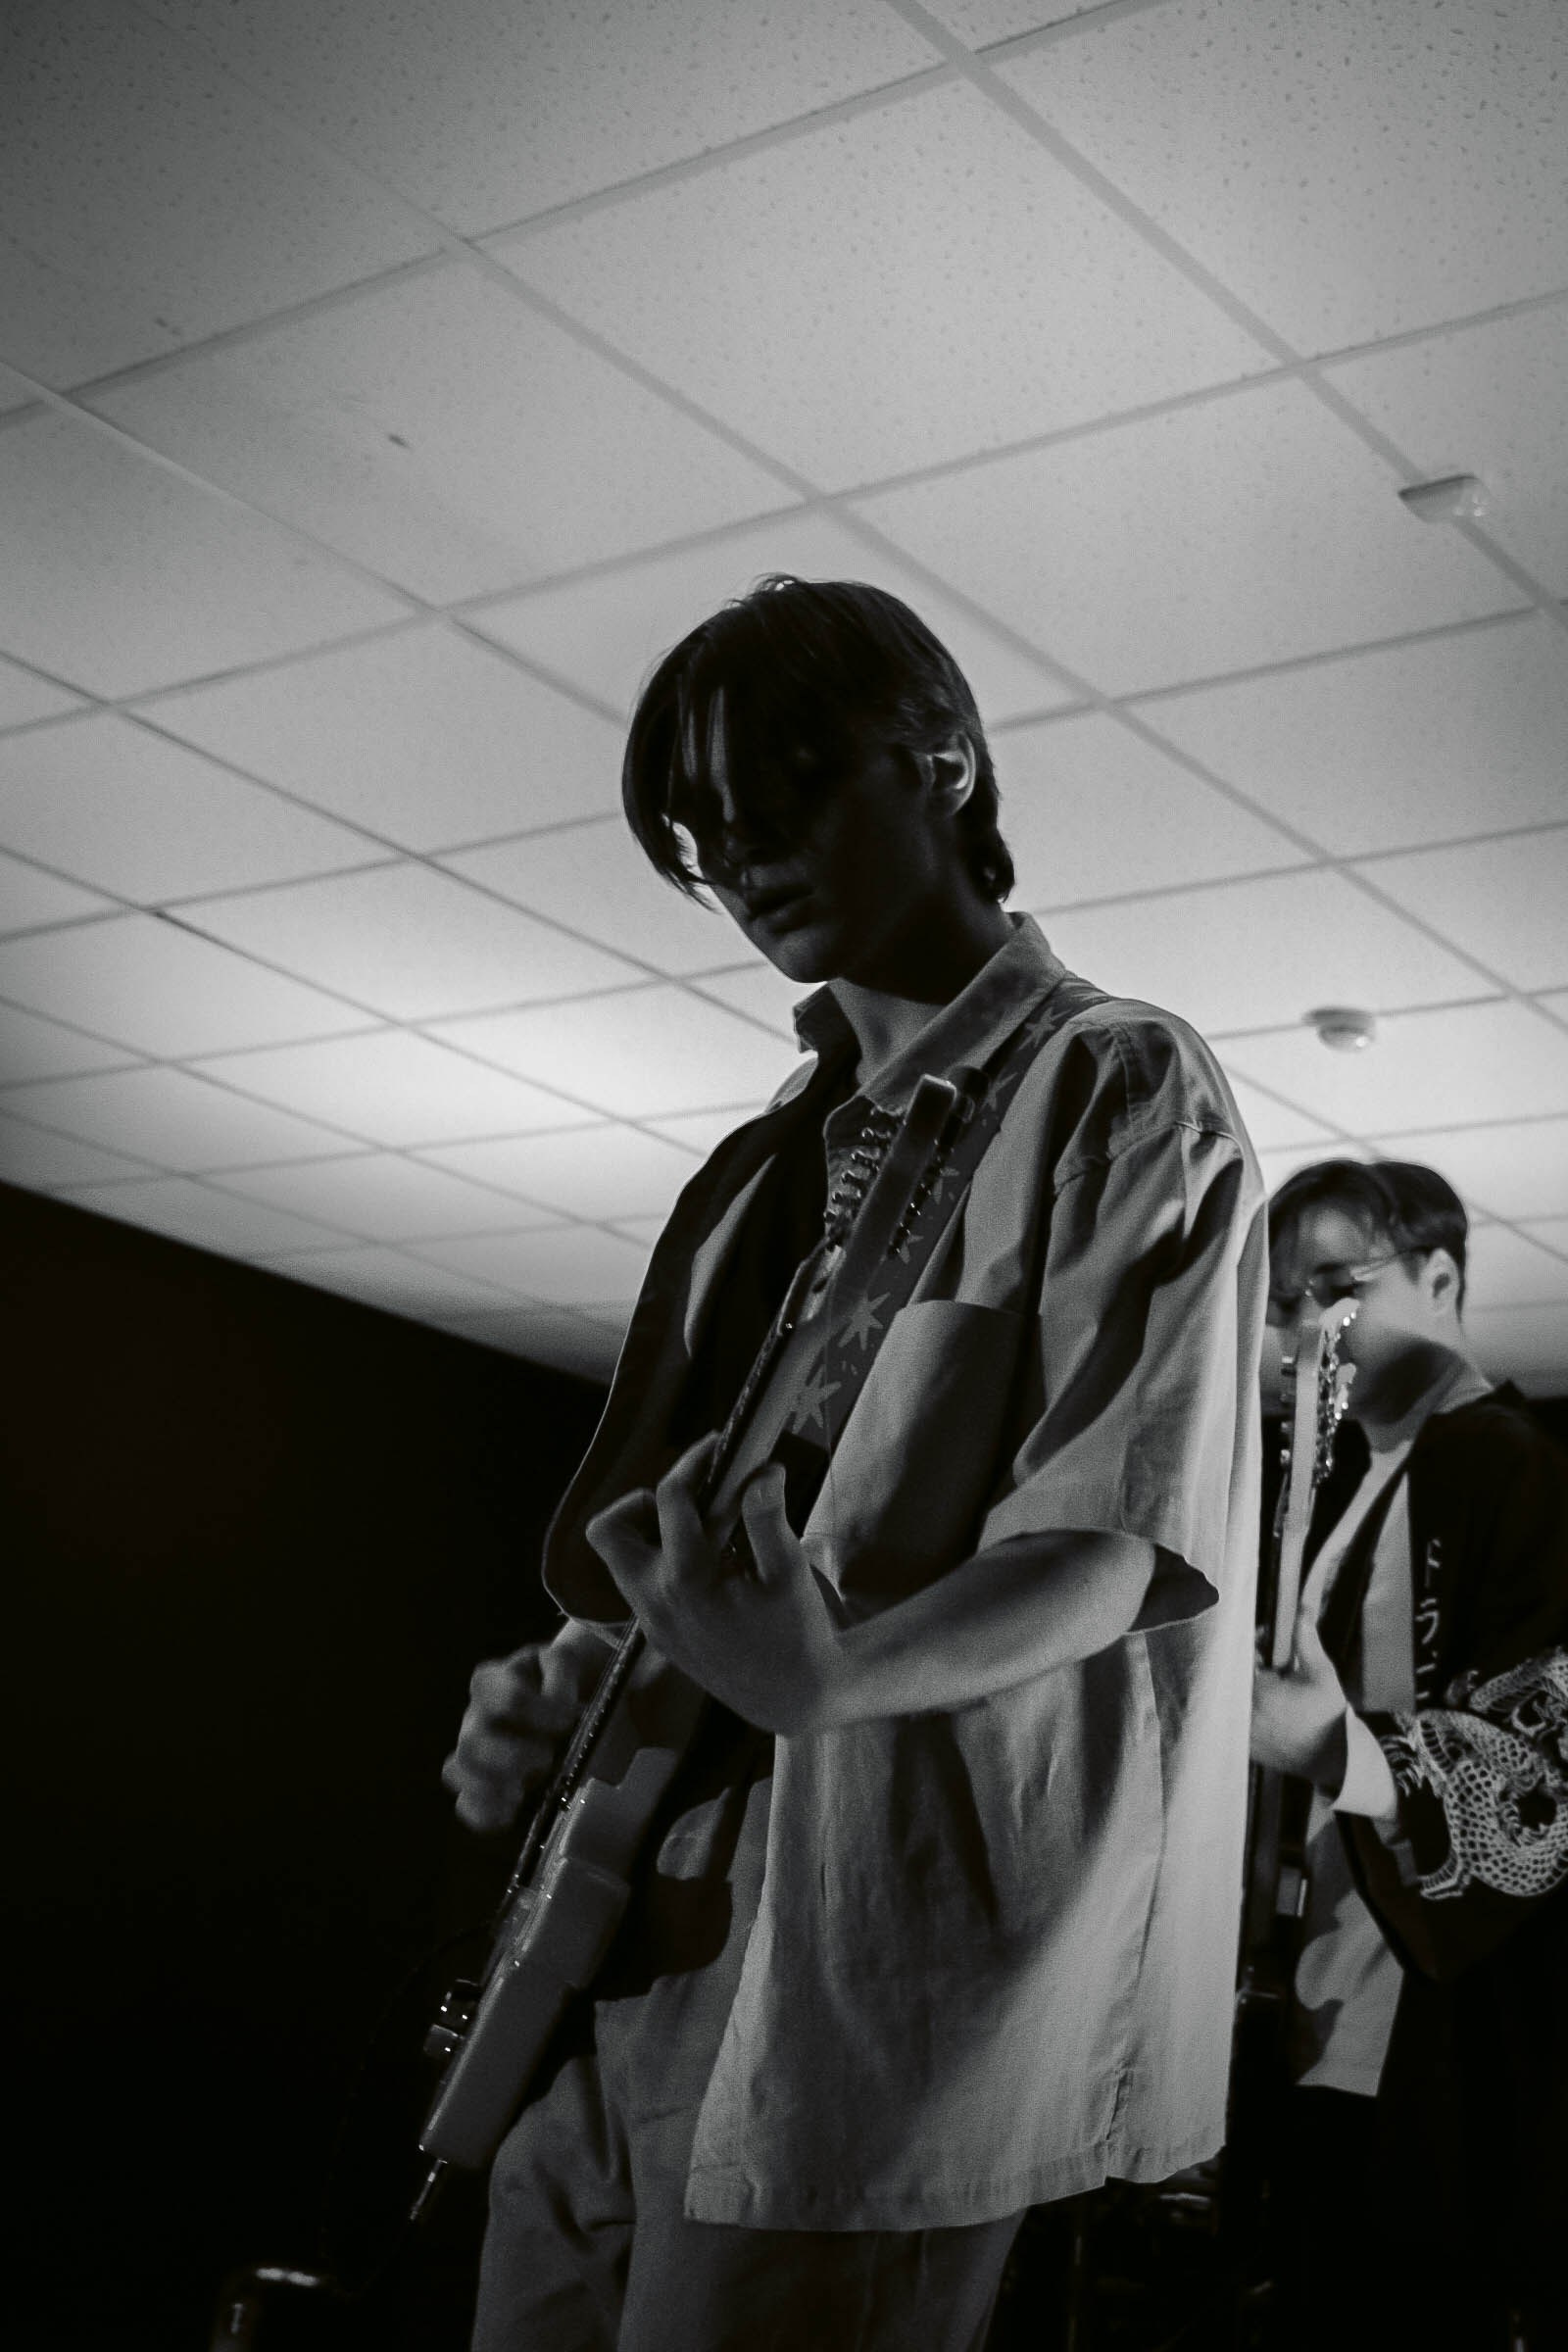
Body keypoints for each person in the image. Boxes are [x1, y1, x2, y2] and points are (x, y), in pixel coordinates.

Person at [443, 575, 1268, 2352]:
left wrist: (832, 1674)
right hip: (620, 1927)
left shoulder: (1116, 1079)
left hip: (857, 1964)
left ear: (943, 761)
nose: (737, 858)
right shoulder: (765, 1159)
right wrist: (572, 1679)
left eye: (786, 789)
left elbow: (1118, 1539)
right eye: (697, 830)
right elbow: (717, 1538)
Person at [1250, 1157, 1568, 2352]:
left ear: (1438, 1279)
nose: (1305, 1326)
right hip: (1338, 2016)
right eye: (1284, 1300)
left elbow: (1544, 1768)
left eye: (1338, 1287)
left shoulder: (1504, 1464)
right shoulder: (1364, 1481)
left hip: (1437, 2039)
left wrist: (1332, 1747)